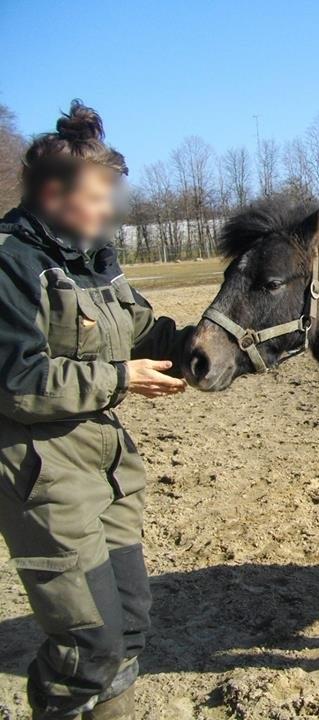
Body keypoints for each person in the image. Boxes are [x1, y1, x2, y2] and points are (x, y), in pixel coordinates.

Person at [0, 101, 193, 719]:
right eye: (99, 195)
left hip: (105, 470)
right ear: (55, 194)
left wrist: (217, 344)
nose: (112, 210)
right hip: (42, 479)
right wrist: (119, 379)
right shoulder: (12, 263)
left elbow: (145, 330)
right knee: (90, 644)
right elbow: (18, 382)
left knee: (129, 627)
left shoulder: (92, 259)